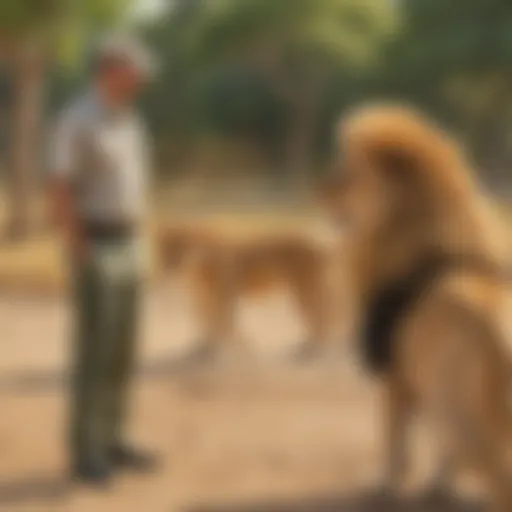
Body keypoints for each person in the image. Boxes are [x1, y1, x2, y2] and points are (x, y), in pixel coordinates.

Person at [50, 34, 157, 486]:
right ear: (110, 70)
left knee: (122, 350)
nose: (142, 77)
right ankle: (86, 451)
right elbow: (59, 186)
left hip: (130, 242)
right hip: (96, 242)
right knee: (94, 351)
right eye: (134, 69)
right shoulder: (78, 119)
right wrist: (78, 247)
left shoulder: (129, 120)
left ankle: (114, 438)